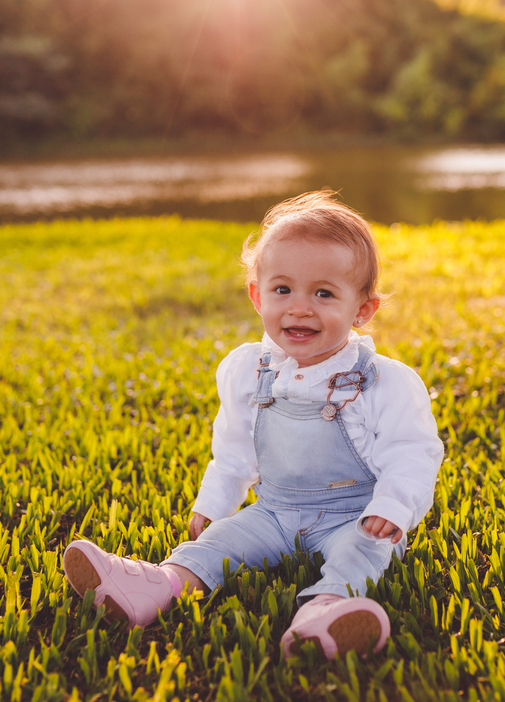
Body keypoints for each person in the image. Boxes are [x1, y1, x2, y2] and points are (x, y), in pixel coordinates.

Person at [62, 191, 443, 659]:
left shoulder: (384, 380)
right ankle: (159, 585)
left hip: (353, 512)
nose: (299, 308)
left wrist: (392, 507)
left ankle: (326, 611)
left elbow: (413, 451)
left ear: (362, 309)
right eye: (283, 290)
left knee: (359, 552)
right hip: (275, 510)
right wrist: (215, 503)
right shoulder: (249, 368)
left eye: (323, 293)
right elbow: (235, 448)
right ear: (257, 295)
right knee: (221, 542)